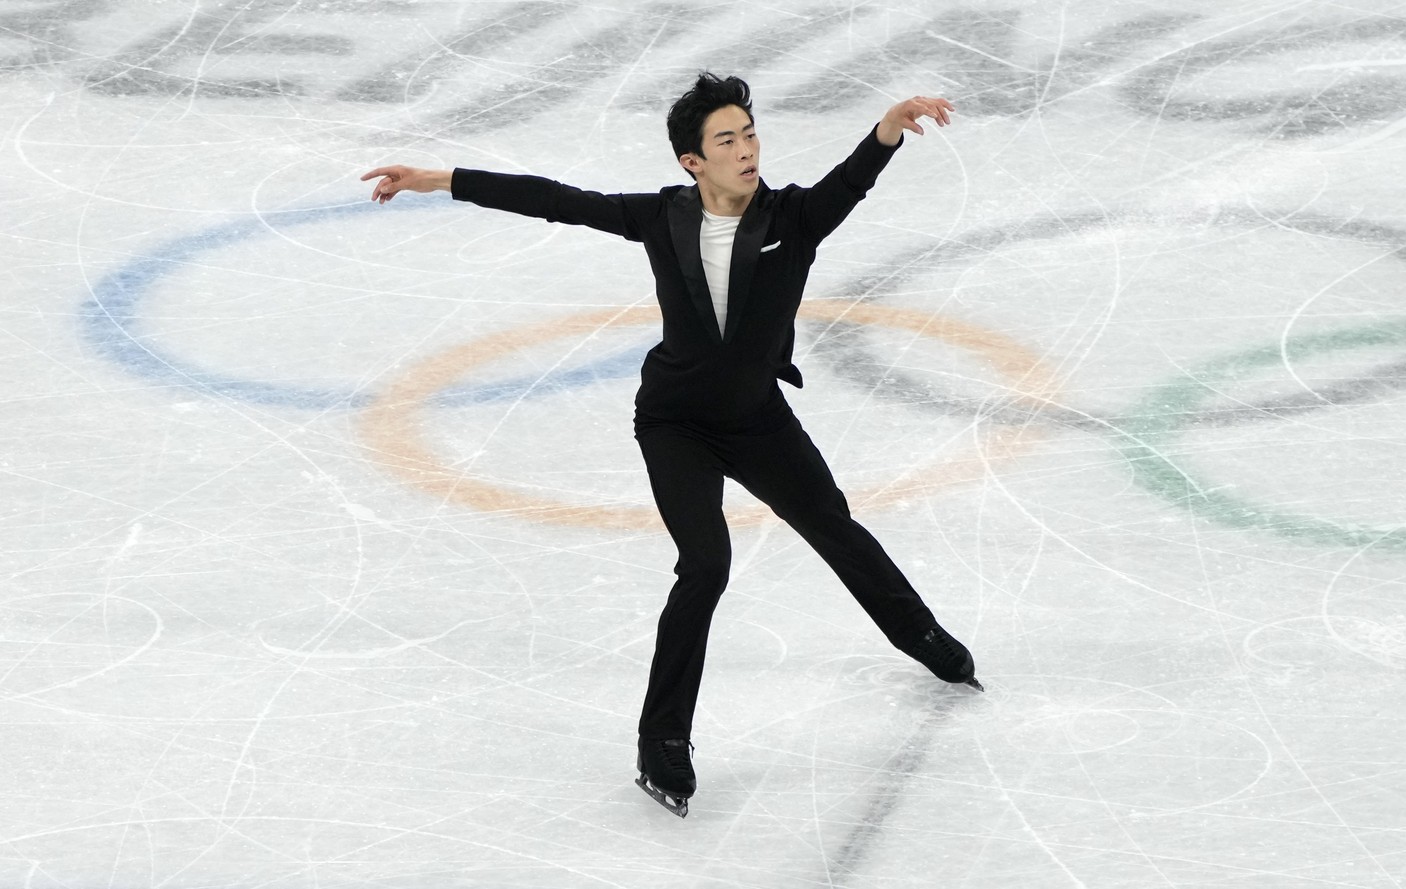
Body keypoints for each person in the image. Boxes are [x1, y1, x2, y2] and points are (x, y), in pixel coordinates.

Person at [362, 73, 981, 818]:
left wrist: (888, 127)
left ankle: (917, 631)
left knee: (831, 522)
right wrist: (440, 179)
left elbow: (851, 182)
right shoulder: (662, 218)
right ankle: (662, 739)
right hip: (675, 424)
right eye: (728, 140)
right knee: (707, 562)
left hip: (757, 419)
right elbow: (559, 200)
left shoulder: (794, 216)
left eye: (750, 133)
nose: (747, 149)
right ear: (693, 161)